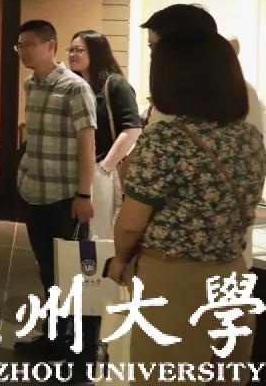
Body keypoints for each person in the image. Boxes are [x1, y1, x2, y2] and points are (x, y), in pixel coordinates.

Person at [109, 32, 266, 373]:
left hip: (174, 280)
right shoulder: (249, 137)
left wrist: (120, 260)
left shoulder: (166, 138)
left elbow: (132, 223)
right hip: (232, 275)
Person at [13, 20, 98, 377]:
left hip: (65, 198)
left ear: (50, 45)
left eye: (29, 44)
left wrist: (83, 193)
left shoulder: (74, 87)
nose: (23, 51)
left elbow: (87, 144)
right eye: (19, 46)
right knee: (49, 273)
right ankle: (53, 338)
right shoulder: (30, 84)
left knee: (76, 276)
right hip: (35, 193)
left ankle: (82, 356)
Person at [140, 4, 265, 137]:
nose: (153, 55)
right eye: (150, 46)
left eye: (156, 47)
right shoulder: (173, 91)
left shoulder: (236, 93)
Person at [67, 30, 143, 238]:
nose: (73, 54)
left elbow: (133, 129)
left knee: (99, 232)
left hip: (101, 169)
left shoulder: (115, 84)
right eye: (70, 50)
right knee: (79, 232)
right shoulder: (76, 85)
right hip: (77, 169)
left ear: (96, 52)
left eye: (79, 50)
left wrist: (105, 168)